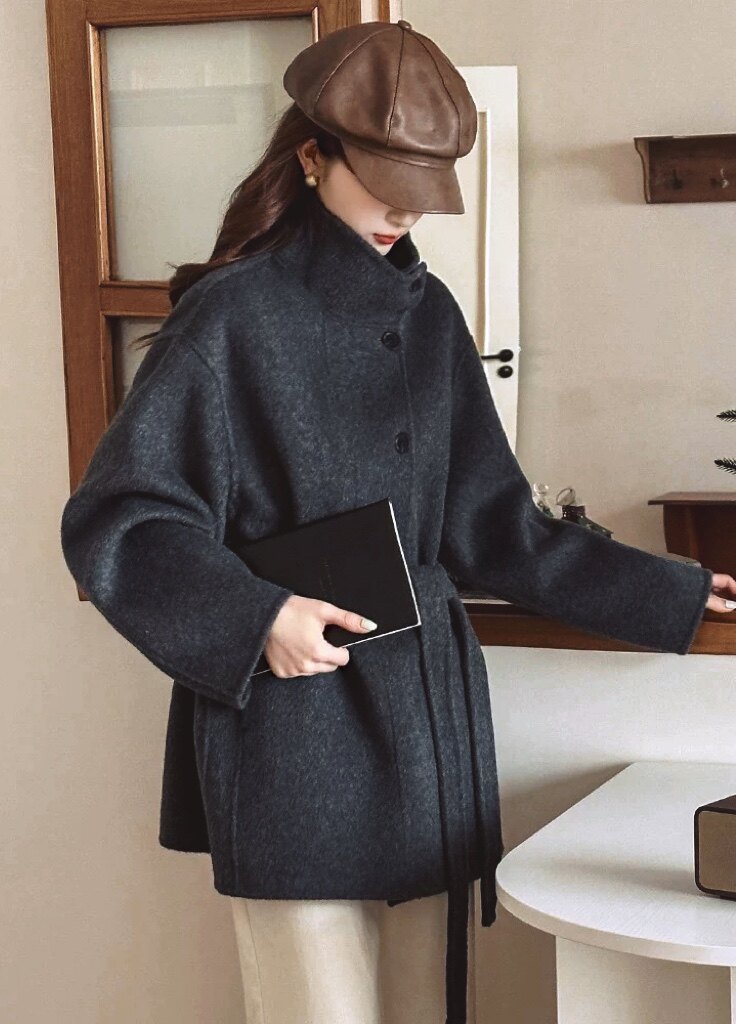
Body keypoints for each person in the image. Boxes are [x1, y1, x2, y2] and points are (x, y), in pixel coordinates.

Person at [59, 19, 736, 1024]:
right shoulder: (232, 318)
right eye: (382, 180)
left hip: (426, 729)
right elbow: (121, 519)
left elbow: (491, 525)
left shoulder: (429, 314)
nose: (403, 211)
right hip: (293, 723)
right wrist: (258, 619)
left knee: (430, 1008)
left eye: (422, 187)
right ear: (311, 157)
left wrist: (673, 592)